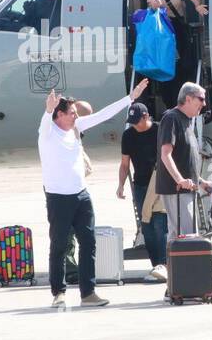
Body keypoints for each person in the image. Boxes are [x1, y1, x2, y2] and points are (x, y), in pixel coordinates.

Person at [39, 80, 148, 307]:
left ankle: (88, 293)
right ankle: (58, 293)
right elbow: (46, 120)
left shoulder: (75, 128)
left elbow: (103, 114)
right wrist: (48, 109)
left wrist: (130, 98)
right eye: (71, 113)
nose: (76, 117)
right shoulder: (48, 133)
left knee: (88, 243)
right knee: (59, 245)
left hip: (81, 195)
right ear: (59, 115)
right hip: (58, 198)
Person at [146, 0, 208, 109]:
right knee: (166, 65)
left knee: (184, 64)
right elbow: (150, 8)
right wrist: (155, 5)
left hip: (178, 27)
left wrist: (198, 5)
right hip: (162, 29)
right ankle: (169, 101)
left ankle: (186, 97)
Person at [155, 82, 212, 246]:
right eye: (201, 99)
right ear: (188, 98)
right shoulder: (171, 118)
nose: (204, 103)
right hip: (177, 190)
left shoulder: (187, 121)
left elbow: (184, 159)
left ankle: (176, 270)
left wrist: (200, 182)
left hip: (186, 188)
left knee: (180, 235)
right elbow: (166, 154)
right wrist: (180, 180)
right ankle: (185, 271)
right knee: (186, 236)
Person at [117, 102, 167, 281]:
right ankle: (156, 265)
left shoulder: (160, 130)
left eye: (136, 121)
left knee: (160, 224)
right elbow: (124, 164)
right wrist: (121, 185)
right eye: (131, 121)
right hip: (140, 186)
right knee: (146, 227)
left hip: (160, 184)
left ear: (146, 116)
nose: (134, 125)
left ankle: (164, 264)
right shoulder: (128, 135)